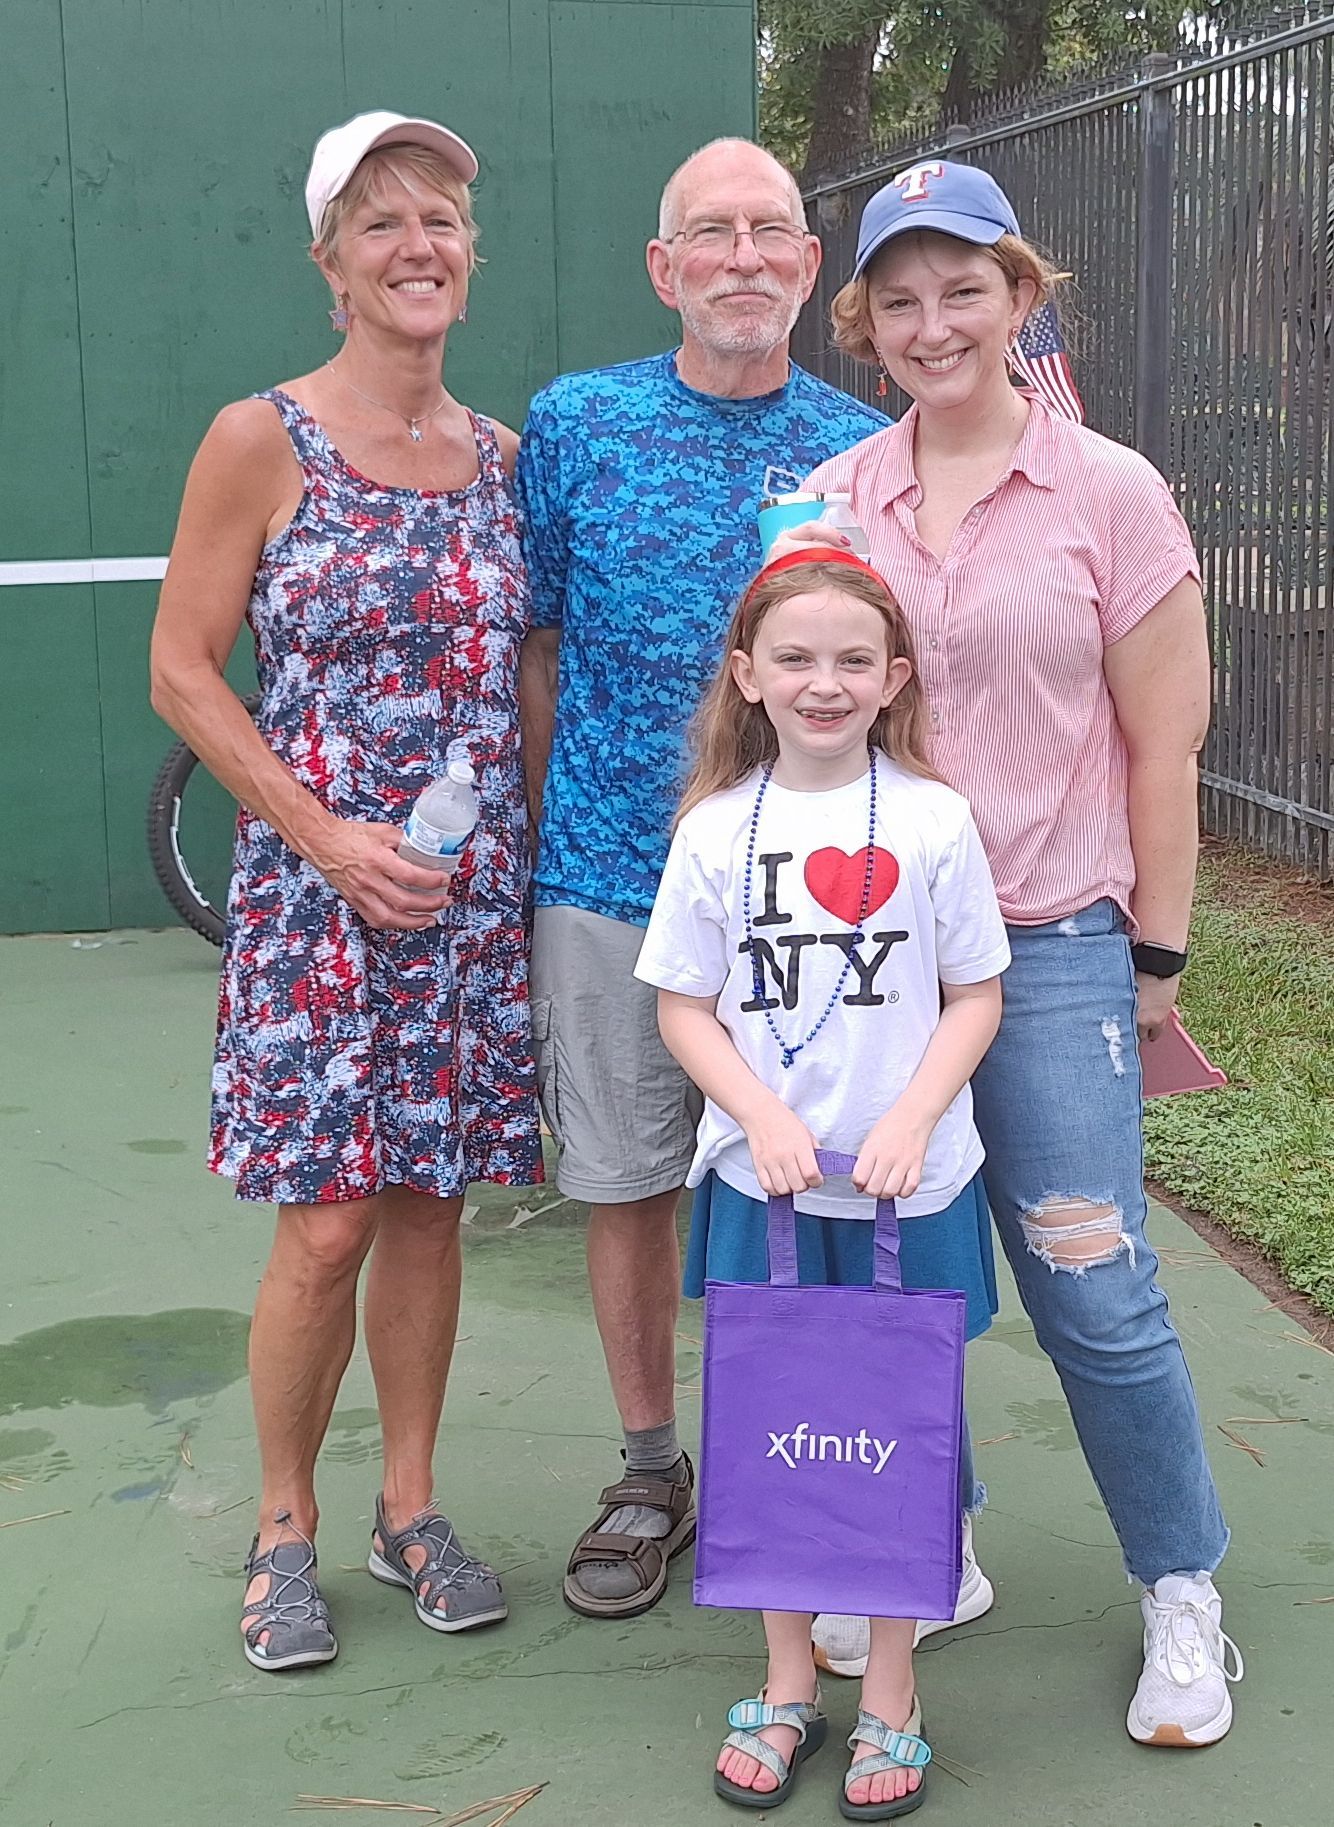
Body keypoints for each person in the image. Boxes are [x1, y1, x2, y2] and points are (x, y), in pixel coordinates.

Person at [778, 161, 1242, 1747]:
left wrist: (1155, 957)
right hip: (867, 968)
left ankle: (1178, 1583)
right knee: (895, 1277)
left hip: (1049, 948)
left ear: (1018, 296)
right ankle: (934, 1544)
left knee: (1088, 1281)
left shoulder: (1111, 492)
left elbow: (1163, 745)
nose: (933, 325)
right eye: (899, 299)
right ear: (863, 321)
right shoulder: (831, 501)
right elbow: (794, 713)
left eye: (962, 289)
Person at [150, 111, 542, 1671]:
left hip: (467, 905)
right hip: (318, 906)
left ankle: (410, 1506)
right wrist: (323, 836)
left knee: (433, 1211)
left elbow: (525, 684)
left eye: (439, 218)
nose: (415, 245)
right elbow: (183, 670)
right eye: (380, 222)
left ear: (470, 256)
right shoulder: (262, 439)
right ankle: (283, 1525)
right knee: (325, 1229)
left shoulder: (503, 459)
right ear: (330, 265)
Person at [515, 139, 888, 1621]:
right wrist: (557, 829)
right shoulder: (575, 422)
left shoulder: (861, 450)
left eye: (770, 231)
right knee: (625, 1183)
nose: (743, 257)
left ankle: (799, 1463)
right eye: (710, 233)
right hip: (609, 876)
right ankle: (647, 1468)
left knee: (813, 1183)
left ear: (806, 263)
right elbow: (537, 639)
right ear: (663, 268)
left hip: (809, 897)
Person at [635, 549, 1009, 1814]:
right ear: (746, 674)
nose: (823, 683)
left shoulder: (931, 820)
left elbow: (973, 994)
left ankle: (891, 1690)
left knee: (901, 1422)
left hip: (911, 1188)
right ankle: (788, 1680)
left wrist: (911, 1115)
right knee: (772, 1425)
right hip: (767, 1189)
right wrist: (755, 1114)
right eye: (793, 658)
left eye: (853, 659)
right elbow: (683, 1005)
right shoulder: (712, 831)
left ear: (893, 677)